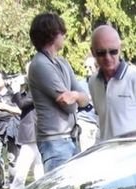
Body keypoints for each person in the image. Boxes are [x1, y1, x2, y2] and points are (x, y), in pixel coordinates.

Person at [26, 12, 91, 172]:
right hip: (54, 144)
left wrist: (75, 96)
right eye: (61, 31)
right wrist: (77, 99)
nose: (64, 34)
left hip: (71, 138)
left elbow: (85, 99)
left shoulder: (62, 62)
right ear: (52, 34)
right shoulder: (40, 64)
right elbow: (68, 107)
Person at [88, 25, 136, 141]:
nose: (108, 57)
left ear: (120, 48)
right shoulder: (93, 82)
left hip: (135, 155)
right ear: (93, 52)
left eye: (113, 51)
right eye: (101, 53)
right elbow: (102, 121)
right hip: (107, 154)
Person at [8, 87, 44, 189]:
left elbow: (22, 104)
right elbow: (17, 101)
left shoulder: (36, 89)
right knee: (38, 164)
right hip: (33, 131)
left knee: (24, 163)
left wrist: (15, 91)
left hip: (31, 130)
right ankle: (43, 186)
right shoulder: (33, 89)